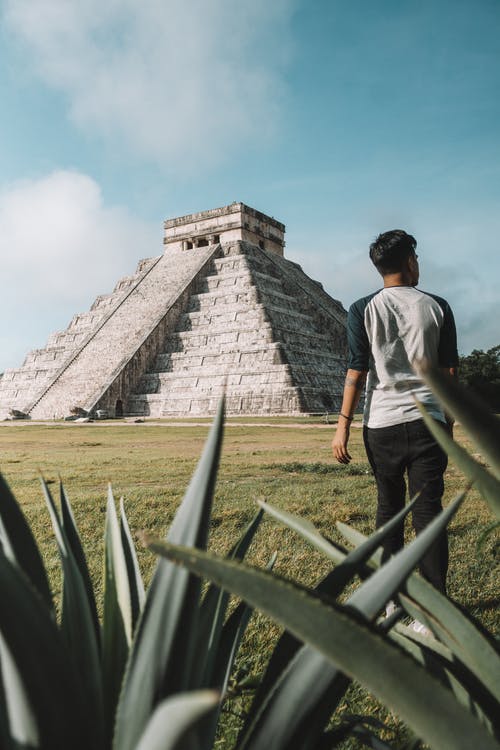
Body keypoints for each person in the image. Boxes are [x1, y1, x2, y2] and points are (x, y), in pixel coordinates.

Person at [332, 229, 458, 595]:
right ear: (409, 261)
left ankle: (388, 601)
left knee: (388, 511)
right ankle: (435, 609)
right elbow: (449, 373)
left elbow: (356, 371)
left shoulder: (361, 309)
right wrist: (447, 424)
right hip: (428, 421)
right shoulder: (437, 305)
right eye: (415, 258)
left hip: (380, 424)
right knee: (428, 514)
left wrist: (343, 427)